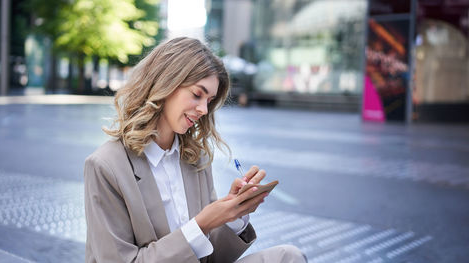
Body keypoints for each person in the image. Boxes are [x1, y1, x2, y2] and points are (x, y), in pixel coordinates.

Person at [84, 37, 306, 263]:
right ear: (165, 83)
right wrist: (202, 224)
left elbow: (210, 258)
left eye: (209, 100)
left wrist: (233, 215)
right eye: (197, 94)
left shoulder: (194, 157)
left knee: (289, 257)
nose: (203, 109)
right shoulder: (106, 166)